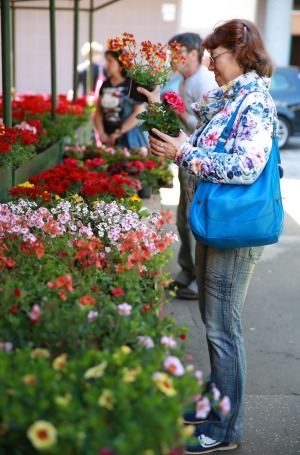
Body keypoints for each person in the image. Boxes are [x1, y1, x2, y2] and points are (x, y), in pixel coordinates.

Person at [138, 18, 277, 453]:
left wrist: (185, 152)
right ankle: (213, 406)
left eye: (215, 57)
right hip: (216, 223)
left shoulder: (253, 101)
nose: (211, 66)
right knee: (215, 325)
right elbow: (209, 148)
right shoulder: (232, 99)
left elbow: (246, 166)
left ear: (240, 53)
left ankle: (225, 428)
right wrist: (179, 138)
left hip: (234, 228)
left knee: (223, 330)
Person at [165, 33, 217, 300]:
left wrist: (176, 111)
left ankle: (200, 281)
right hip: (185, 157)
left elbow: (206, 128)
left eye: (178, 52)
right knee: (182, 219)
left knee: (193, 222)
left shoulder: (204, 81)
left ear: (195, 53)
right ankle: (187, 271)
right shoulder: (186, 79)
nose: (174, 58)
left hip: (198, 161)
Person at [94, 50, 148, 148]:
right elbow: (98, 111)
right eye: (106, 61)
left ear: (120, 63)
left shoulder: (132, 84)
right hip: (108, 138)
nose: (107, 64)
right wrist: (101, 133)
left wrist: (118, 132)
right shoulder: (105, 84)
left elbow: (139, 112)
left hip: (130, 138)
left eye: (110, 61)